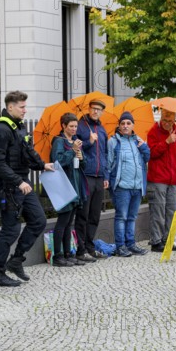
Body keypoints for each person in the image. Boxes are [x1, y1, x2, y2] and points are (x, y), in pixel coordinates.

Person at [0, 91, 55, 287]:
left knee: (39, 220)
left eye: (25, 106)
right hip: (10, 187)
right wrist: (18, 181)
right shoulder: (1, 129)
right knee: (10, 230)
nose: (25, 110)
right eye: (22, 107)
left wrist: (42, 165)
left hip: (22, 183)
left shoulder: (18, 127)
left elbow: (27, 152)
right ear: (10, 107)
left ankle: (16, 260)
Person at [108, 111, 151, 257]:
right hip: (122, 187)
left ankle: (130, 244)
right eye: (123, 123)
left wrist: (144, 147)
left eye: (128, 123)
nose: (126, 126)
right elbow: (109, 163)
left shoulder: (137, 140)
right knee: (121, 217)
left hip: (137, 186)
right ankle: (120, 246)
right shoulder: (114, 141)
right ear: (119, 126)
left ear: (133, 125)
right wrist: (108, 180)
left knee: (132, 217)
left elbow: (147, 157)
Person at [50, 113, 88, 267]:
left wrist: (81, 157)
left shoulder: (75, 142)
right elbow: (57, 161)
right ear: (63, 126)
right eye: (71, 126)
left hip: (75, 185)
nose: (74, 129)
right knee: (63, 221)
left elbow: (83, 166)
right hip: (64, 186)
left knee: (69, 222)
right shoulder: (59, 141)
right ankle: (57, 256)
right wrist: (72, 150)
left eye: (75, 126)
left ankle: (68, 253)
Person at [75, 99, 110, 262]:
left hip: (99, 176)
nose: (96, 111)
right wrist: (89, 141)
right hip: (86, 175)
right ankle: (80, 250)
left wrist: (106, 176)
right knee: (83, 214)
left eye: (99, 109)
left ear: (102, 112)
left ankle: (90, 246)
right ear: (88, 109)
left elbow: (104, 154)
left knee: (95, 215)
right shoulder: (80, 127)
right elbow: (75, 148)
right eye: (93, 109)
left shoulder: (102, 130)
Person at [147, 108, 176, 252]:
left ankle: (169, 240)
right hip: (158, 179)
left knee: (171, 212)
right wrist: (166, 142)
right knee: (158, 211)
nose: (168, 124)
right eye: (165, 121)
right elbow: (151, 153)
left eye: (170, 121)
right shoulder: (153, 132)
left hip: (173, 179)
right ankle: (156, 241)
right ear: (160, 119)